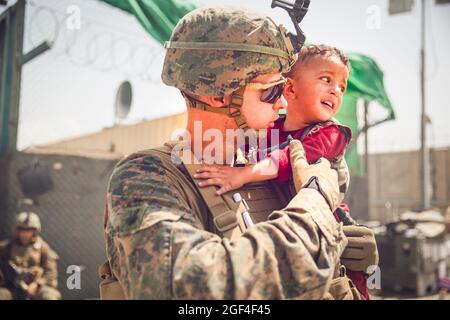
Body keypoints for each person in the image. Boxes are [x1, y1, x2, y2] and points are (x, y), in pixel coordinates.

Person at [100, 5, 372, 300]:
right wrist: (316, 202)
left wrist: (340, 249)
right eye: (270, 91)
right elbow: (193, 290)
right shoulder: (145, 178)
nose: (282, 104)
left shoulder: (268, 164)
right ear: (216, 93)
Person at [194, 44, 378, 299]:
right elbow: (245, 146)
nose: (336, 90)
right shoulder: (271, 128)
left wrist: (241, 174)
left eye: (341, 87)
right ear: (290, 88)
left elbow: (286, 160)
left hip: (331, 224)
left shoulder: (331, 133)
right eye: (326, 79)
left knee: (345, 281)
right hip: (283, 218)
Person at [0, 212, 61, 300]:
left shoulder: (43, 248)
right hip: (12, 287)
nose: (25, 233)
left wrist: (37, 284)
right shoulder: (7, 247)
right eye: (22, 230)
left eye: (29, 230)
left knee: (49, 296)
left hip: (36, 288)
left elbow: (51, 272)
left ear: (35, 231)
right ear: (17, 231)